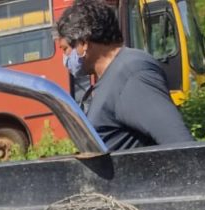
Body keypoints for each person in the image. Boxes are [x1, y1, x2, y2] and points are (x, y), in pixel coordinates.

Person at [56, 0, 193, 151]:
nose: (65, 59)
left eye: (65, 49)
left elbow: (181, 145)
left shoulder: (132, 75)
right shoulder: (113, 76)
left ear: (83, 43)